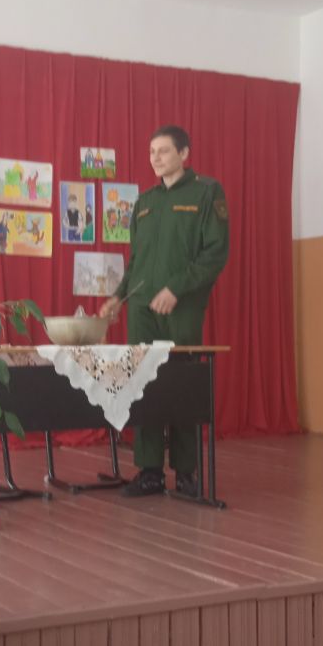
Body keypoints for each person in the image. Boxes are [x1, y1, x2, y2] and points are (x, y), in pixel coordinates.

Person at [100, 125, 229, 497]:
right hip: (142, 309)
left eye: (164, 151)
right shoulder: (145, 202)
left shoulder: (206, 192)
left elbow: (215, 253)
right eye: (151, 151)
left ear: (184, 154)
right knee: (141, 384)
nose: (155, 158)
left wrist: (177, 288)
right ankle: (150, 470)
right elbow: (137, 261)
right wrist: (119, 297)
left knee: (181, 384)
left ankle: (186, 472)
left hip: (181, 306)